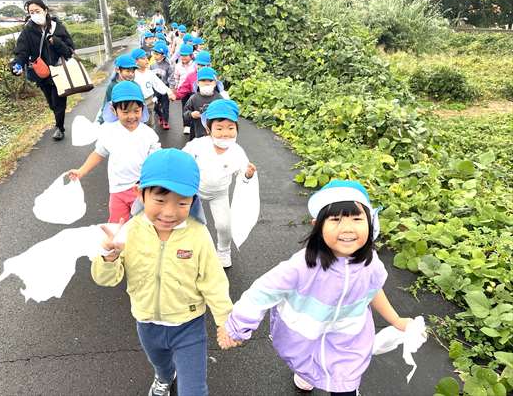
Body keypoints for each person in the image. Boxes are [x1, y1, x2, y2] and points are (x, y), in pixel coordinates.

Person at [218, 180, 412, 395]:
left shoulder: (370, 263)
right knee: (306, 364)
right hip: (305, 336)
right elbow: (262, 292)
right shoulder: (302, 266)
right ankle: (306, 373)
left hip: (347, 342)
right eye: (335, 219)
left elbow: (373, 290)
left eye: (357, 219)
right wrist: (236, 327)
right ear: (317, 226)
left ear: (371, 223)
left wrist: (396, 320)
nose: (347, 228)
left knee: (345, 384)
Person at [91, 148, 234, 396]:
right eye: (160, 200)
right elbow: (106, 279)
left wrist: (225, 321)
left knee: (194, 390)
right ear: (140, 193)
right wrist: (109, 256)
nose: (169, 212)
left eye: (182, 202)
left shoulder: (198, 234)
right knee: (160, 363)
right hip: (147, 322)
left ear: (193, 200)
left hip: (188, 325)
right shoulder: (130, 230)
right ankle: (165, 377)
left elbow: (214, 281)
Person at [67, 81, 160, 224]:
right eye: (125, 112)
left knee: (143, 225)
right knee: (116, 225)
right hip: (117, 191)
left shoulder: (148, 134)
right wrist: (81, 171)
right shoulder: (109, 132)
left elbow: (157, 160)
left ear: (142, 108)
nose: (131, 116)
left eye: (136, 111)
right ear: (113, 110)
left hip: (142, 189)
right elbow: (98, 153)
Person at [182, 99, 256, 267]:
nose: (225, 133)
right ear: (208, 129)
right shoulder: (198, 145)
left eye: (230, 128)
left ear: (237, 129)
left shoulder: (237, 152)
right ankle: (185, 250)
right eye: (219, 128)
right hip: (194, 192)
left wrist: (248, 175)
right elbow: (181, 158)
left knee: (224, 225)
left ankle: (223, 251)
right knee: (186, 222)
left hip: (219, 194)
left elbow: (242, 174)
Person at [11, 0, 75, 141]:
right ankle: (58, 118)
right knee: (52, 103)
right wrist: (17, 64)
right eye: (31, 12)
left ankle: (59, 128)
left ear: (45, 10)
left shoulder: (57, 27)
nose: (35, 14)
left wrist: (56, 41)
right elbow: (21, 52)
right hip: (41, 74)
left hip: (59, 71)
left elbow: (69, 50)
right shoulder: (27, 31)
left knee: (59, 101)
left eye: (37, 11)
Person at [131, 48, 176, 128]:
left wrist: (169, 93)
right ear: (135, 61)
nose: (146, 60)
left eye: (146, 58)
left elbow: (159, 84)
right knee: (139, 124)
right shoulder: (133, 75)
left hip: (149, 101)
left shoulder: (149, 73)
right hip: (137, 102)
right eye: (143, 58)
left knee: (150, 123)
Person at [96, 54, 138, 125]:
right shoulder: (112, 86)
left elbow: (141, 105)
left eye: (133, 71)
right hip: (117, 120)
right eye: (128, 71)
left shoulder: (135, 86)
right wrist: (101, 120)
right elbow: (107, 104)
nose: (131, 74)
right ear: (117, 70)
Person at [182, 67, 223, 140]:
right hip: (196, 134)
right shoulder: (193, 98)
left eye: (210, 80)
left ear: (215, 83)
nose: (207, 83)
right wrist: (191, 114)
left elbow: (225, 115)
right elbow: (185, 114)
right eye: (203, 80)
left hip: (214, 135)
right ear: (197, 83)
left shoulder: (219, 98)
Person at [173, 44, 196, 135]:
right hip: (183, 91)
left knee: (194, 107)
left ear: (191, 55)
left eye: (185, 55)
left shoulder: (195, 65)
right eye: (182, 55)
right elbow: (176, 78)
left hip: (193, 90)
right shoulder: (178, 66)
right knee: (185, 107)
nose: (183, 57)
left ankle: (194, 125)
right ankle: (186, 125)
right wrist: (176, 88)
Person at [150, 42, 174, 130]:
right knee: (155, 106)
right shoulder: (152, 65)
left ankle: (165, 121)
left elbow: (171, 77)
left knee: (165, 106)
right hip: (155, 89)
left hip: (165, 88)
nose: (155, 56)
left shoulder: (168, 66)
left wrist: (171, 90)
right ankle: (161, 116)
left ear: (163, 55)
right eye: (154, 54)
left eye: (157, 54)